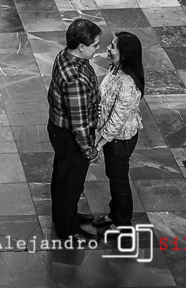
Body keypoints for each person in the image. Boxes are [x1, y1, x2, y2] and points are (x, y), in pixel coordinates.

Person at [47, 17, 102, 245]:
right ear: (81, 46)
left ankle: (63, 215)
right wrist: (89, 150)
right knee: (71, 184)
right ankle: (68, 229)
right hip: (71, 137)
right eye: (94, 45)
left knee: (62, 176)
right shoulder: (76, 79)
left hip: (58, 129)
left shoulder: (65, 55)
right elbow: (79, 123)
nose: (98, 49)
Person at [91, 31, 145, 235]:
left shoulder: (128, 83)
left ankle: (122, 222)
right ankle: (115, 214)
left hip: (120, 139)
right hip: (112, 138)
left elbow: (117, 119)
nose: (108, 48)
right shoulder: (115, 69)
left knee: (119, 179)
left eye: (113, 46)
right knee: (114, 176)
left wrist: (99, 143)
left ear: (124, 54)